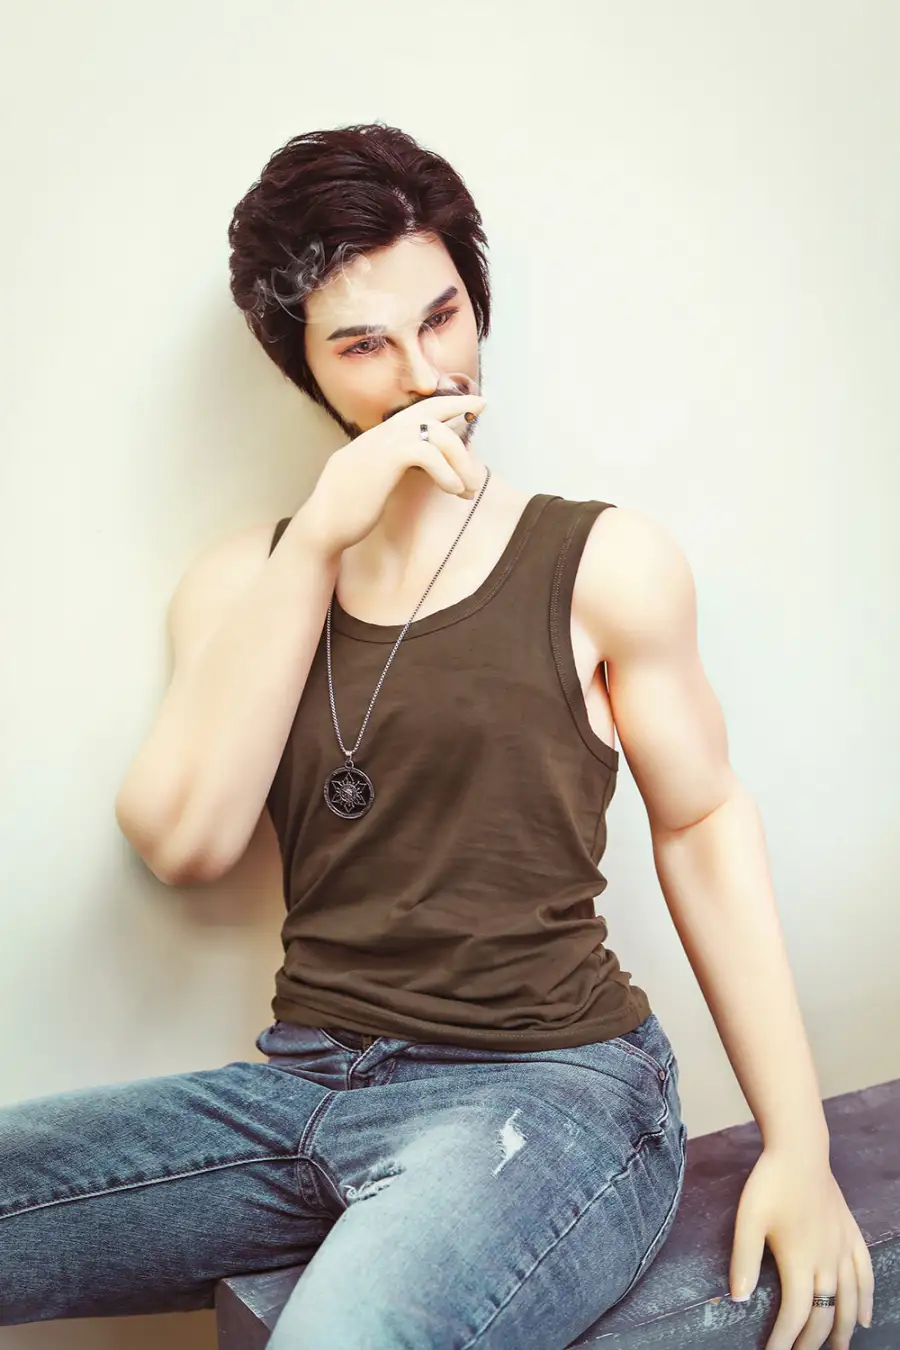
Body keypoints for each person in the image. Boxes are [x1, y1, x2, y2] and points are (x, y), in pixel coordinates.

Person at [0, 124, 873, 1350]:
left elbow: (704, 819)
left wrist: (799, 1142)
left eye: (443, 317)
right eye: (363, 344)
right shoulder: (244, 583)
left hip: (552, 1091)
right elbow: (185, 842)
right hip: (305, 1086)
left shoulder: (604, 562)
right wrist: (318, 539)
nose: (424, 374)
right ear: (301, 366)